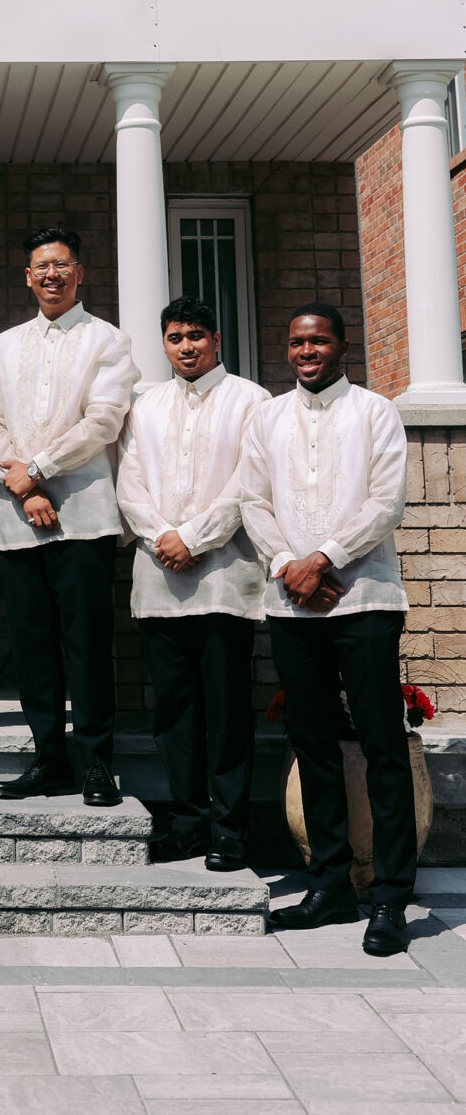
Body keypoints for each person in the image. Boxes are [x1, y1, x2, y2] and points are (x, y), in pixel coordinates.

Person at [239, 302, 416, 957]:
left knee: (382, 747)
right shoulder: (267, 418)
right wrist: (290, 567)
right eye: (296, 342)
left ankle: (390, 897)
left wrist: (323, 559)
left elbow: (386, 502)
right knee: (312, 745)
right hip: (293, 605)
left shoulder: (375, 412)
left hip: (365, 599)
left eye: (317, 341)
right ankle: (331, 884)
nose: (306, 351)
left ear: (342, 346)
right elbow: (252, 501)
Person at [0, 227, 136, 807]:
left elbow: (103, 421)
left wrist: (37, 470)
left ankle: (95, 764)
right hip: (17, 520)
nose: (51, 274)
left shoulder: (108, 341)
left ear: (79, 273)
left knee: (86, 643)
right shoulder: (3, 347)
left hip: (84, 516)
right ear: (28, 276)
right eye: (41, 266)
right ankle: (47, 758)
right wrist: (22, 487)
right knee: (34, 645)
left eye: (62, 265)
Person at [116, 297, 269, 868]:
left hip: (225, 577)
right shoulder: (145, 406)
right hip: (160, 579)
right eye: (176, 337)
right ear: (163, 344)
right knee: (174, 711)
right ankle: (186, 824)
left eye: (196, 335)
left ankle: (229, 830)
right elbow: (129, 483)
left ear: (217, 339)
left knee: (226, 711)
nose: (186, 346)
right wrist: (163, 536)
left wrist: (194, 538)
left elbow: (249, 484)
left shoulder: (251, 401)